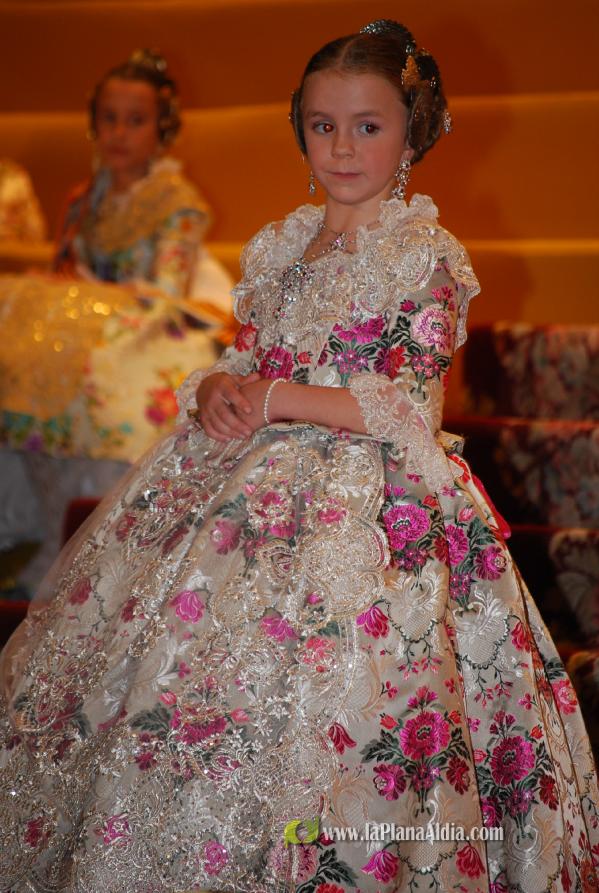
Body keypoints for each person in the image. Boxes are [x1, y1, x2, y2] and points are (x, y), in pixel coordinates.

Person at [0, 21, 597, 893]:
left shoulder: (421, 254)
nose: (341, 146)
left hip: (368, 501)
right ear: (300, 131)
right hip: (242, 481)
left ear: (411, 134)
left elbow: (406, 406)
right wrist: (217, 384)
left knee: (337, 692)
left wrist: (276, 396)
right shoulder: (282, 246)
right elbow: (250, 351)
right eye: (322, 125)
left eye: (367, 125)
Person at [0, 50, 233, 590]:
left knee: (110, 369)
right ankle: (40, 528)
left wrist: (90, 299)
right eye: (109, 119)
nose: (119, 133)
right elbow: (65, 272)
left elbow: (165, 292)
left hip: (145, 326)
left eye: (136, 120)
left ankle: (97, 551)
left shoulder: (178, 202)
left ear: (161, 128)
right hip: (88, 329)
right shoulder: (84, 199)